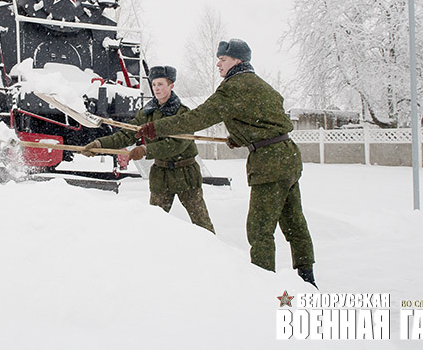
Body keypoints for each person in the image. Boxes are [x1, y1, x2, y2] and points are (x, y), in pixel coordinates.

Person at [134, 40, 317, 287]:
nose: (218, 63)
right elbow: (267, 117)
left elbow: (196, 118)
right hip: (288, 156)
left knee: (259, 228)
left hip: (269, 162)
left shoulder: (233, 87)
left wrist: (156, 127)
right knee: (294, 221)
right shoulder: (260, 85)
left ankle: (263, 285)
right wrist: (241, 136)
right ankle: (308, 277)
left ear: (237, 62)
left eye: (223, 59)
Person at [82, 65, 215, 233]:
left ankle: (213, 255)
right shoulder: (147, 112)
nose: (156, 88)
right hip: (161, 175)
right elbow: (126, 134)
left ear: (171, 86)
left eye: (161, 84)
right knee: (154, 224)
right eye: (154, 85)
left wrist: (145, 150)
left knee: (202, 225)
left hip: (186, 174)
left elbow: (176, 145)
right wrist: (99, 145)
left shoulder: (184, 114)